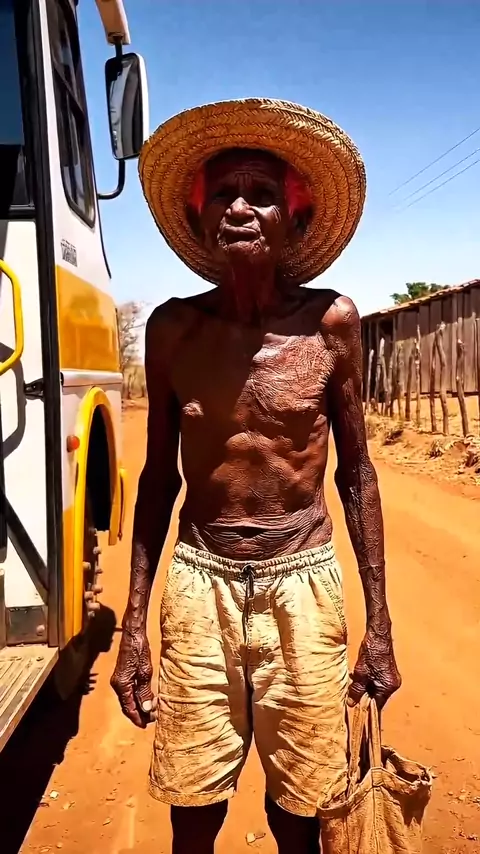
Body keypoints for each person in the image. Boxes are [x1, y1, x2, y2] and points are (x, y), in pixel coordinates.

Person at [111, 98, 401, 854]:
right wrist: (134, 627)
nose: (239, 208)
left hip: (303, 584)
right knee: (193, 806)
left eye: (262, 194)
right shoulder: (174, 329)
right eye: (223, 194)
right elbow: (157, 479)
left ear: (293, 221)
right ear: (200, 216)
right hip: (198, 582)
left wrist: (379, 625)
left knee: (302, 810)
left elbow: (357, 473)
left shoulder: (331, 324)